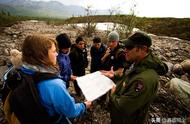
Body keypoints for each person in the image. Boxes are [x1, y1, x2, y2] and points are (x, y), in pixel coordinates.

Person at [4, 34, 92, 124]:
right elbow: (71, 111)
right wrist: (84, 105)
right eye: (54, 51)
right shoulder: (54, 85)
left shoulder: (22, 69)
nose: (57, 54)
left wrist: (69, 77)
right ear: (42, 55)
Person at [101, 32, 168, 124]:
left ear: (143, 49)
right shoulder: (137, 63)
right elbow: (128, 79)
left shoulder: (143, 81)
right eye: (125, 47)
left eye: (129, 47)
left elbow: (123, 107)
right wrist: (115, 75)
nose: (125, 50)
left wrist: (113, 94)